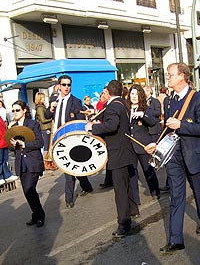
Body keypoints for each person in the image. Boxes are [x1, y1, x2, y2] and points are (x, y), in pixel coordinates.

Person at [145, 62, 200, 254]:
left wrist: (182, 124)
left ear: (182, 76)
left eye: (171, 74)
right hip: (173, 155)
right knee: (176, 195)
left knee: (199, 190)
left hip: (193, 154)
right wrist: (156, 144)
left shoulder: (198, 99)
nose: (168, 77)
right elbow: (167, 129)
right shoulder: (168, 100)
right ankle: (176, 239)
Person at [85, 80, 139, 238]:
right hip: (126, 150)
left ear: (108, 92)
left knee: (120, 189)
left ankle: (124, 223)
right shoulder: (123, 103)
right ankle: (133, 209)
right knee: (127, 184)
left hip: (118, 151)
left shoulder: (114, 106)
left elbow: (112, 126)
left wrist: (93, 127)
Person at [45, 75, 93, 208]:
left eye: (69, 85)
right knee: (72, 167)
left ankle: (69, 198)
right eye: (64, 84)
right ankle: (87, 187)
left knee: (69, 168)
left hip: (71, 139)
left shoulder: (76, 101)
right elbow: (47, 116)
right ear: (59, 86)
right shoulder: (54, 99)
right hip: (57, 137)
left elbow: (80, 120)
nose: (67, 87)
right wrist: (51, 108)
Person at [8, 100, 45, 227]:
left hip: (33, 162)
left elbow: (40, 142)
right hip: (21, 163)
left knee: (30, 189)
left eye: (17, 110)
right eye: (13, 110)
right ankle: (35, 214)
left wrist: (25, 144)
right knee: (27, 191)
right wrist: (13, 146)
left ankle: (40, 216)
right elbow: (10, 147)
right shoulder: (13, 128)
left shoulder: (33, 124)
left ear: (24, 110)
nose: (15, 113)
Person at [127, 84, 160, 202]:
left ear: (141, 95)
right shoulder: (125, 108)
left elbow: (152, 122)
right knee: (132, 173)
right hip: (129, 146)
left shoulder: (146, 108)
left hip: (143, 145)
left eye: (136, 94)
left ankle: (155, 191)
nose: (134, 96)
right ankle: (135, 199)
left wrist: (143, 115)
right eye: (132, 93)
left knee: (148, 169)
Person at [34, 92, 56, 171]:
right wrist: (51, 119)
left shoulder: (42, 107)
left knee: (49, 145)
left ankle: (50, 162)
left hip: (47, 128)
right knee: (47, 146)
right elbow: (43, 120)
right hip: (45, 129)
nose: (44, 99)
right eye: (43, 97)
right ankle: (46, 163)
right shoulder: (40, 108)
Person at [0, 117, 19, 185]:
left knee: (4, 161)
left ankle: (7, 175)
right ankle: (0, 177)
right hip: (1, 142)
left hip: (4, 141)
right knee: (0, 161)